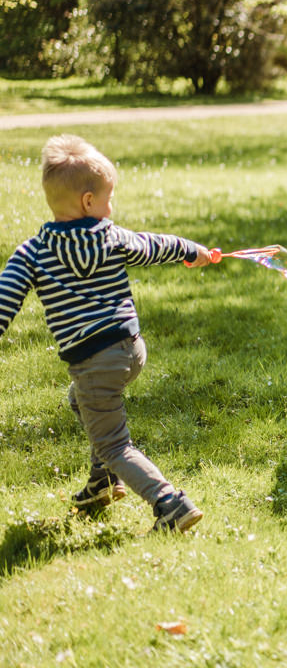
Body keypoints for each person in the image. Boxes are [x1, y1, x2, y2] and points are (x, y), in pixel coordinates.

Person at [0, 135, 212, 532]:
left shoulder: (31, 253)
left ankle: (170, 503)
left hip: (94, 361)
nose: (111, 207)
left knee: (114, 442)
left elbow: (4, 300)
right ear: (88, 202)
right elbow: (155, 245)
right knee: (81, 402)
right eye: (108, 197)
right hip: (130, 350)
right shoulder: (112, 237)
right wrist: (190, 250)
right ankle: (102, 482)